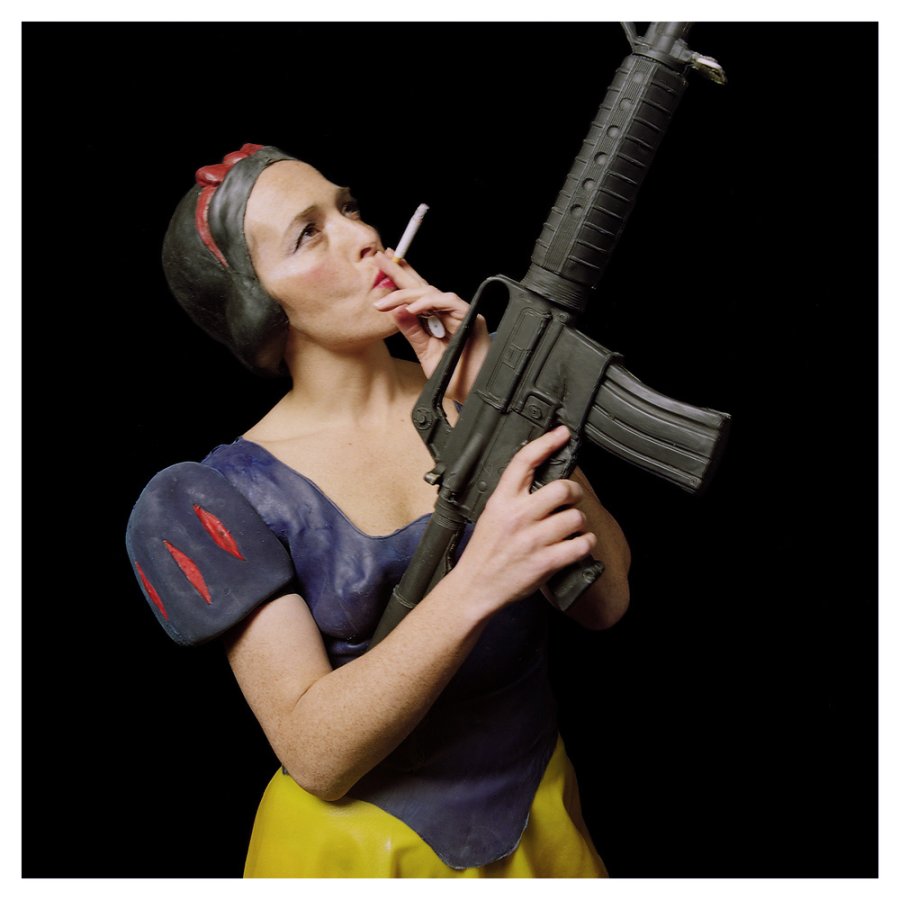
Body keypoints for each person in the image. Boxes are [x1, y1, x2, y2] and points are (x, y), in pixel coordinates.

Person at [126, 142, 632, 878]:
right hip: (360, 857)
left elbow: (606, 602)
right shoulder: (216, 497)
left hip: (540, 817)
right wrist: (477, 583)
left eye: (349, 208)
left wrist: (500, 414)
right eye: (309, 234)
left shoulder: (470, 391)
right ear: (259, 303)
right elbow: (316, 757)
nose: (364, 235)